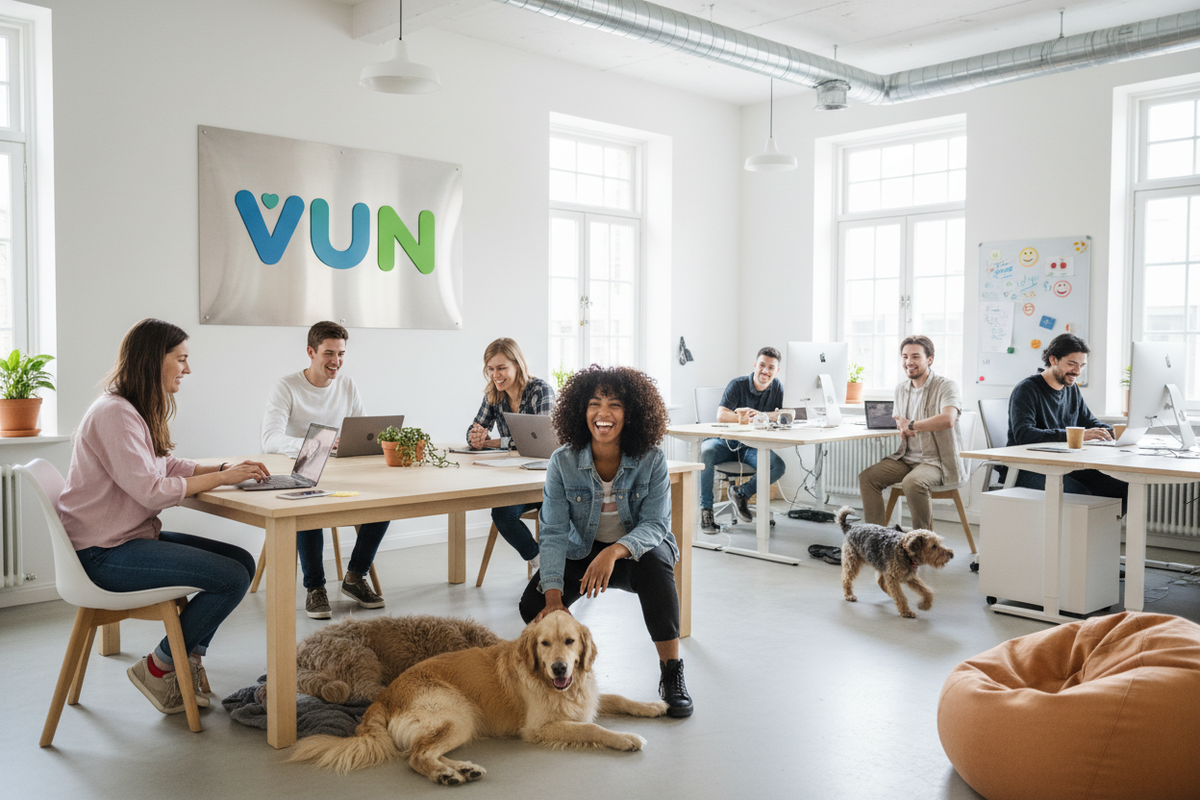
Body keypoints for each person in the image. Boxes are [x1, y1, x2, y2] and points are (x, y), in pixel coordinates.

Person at [59, 318, 269, 716]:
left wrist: (222, 468)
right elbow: (151, 490)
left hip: (124, 540)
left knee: (242, 560)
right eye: (181, 359)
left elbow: (164, 465)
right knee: (231, 578)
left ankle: (184, 661)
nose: (187, 369)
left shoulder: (129, 408)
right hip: (103, 553)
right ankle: (159, 667)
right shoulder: (114, 414)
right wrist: (223, 478)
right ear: (155, 359)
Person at [518, 365, 693, 718]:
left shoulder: (652, 459)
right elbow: (553, 531)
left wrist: (614, 551)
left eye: (615, 404)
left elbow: (656, 524)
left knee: (658, 567)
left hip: (634, 551)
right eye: (594, 403)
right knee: (531, 605)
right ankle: (564, 668)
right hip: (582, 550)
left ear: (631, 414)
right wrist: (553, 599)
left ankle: (672, 673)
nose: (603, 413)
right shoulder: (563, 461)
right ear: (581, 410)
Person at [262, 321, 389, 619]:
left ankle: (355, 577)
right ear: (311, 352)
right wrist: (320, 443)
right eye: (329, 354)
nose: (336, 361)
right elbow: (269, 440)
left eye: (341, 354)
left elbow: (362, 430)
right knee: (309, 503)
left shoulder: (347, 385)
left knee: (385, 500)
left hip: (339, 470)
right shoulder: (287, 386)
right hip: (301, 472)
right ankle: (315, 587)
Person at [858, 335, 964, 532]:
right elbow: (902, 424)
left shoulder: (946, 386)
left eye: (915, 356)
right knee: (868, 478)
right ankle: (877, 538)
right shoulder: (901, 389)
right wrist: (903, 426)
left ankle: (922, 543)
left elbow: (948, 419)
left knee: (913, 483)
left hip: (937, 461)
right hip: (906, 458)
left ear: (930, 359)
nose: (909, 362)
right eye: (905, 356)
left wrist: (913, 425)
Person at [465, 338, 555, 569]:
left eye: (501, 368)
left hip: (545, 478)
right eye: (490, 369)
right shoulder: (493, 394)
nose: (495, 375)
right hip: (513, 477)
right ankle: (540, 562)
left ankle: (558, 567)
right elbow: (475, 428)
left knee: (553, 515)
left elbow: (544, 440)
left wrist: (499, 443)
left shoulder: (540, 390)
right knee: (502, 515)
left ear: (517, 365)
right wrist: (476, 438)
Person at [1007, 333, 1126, 506]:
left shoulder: (1071, 389)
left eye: (1081, 366)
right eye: (1072, 364)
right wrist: (1079, 435)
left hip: (1062, 464)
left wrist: (1113, 432)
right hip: (1027, 467)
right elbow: (1024, 435)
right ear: (1053, 360)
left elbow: (1089, 422)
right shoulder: (1027, 389)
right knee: (1082, 495)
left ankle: (1103, 525)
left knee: (1122, 486)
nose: (1077, 371)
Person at [699, 347, 787, 533]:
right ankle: (706, 510)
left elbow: (784, 415)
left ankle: (741, 493)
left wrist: (763, 415)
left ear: (777, 371)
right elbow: (721, 415)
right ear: (755, 365)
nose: (765, 370)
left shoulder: (777, 387)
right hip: (726, 443)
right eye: (762, 365)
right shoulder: (737, 385)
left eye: (771, 367)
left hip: (752, 447)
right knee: (706, 451)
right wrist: (747, 419)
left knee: (778, 466)